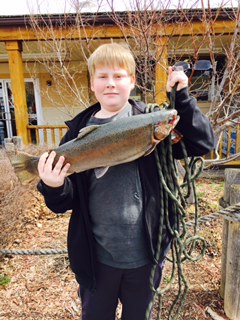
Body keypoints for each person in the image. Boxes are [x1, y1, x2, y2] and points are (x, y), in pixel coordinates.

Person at [37, 43, 214, 320]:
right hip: (96, 260)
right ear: (92, 84)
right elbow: (63, 202)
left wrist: (182, 98)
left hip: (146, 257)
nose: (111, 84)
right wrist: (53, 185)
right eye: (102, 76)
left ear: (132, 81)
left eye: (119, 76)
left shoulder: (150, 120)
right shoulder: (75, 135)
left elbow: (201, 143)